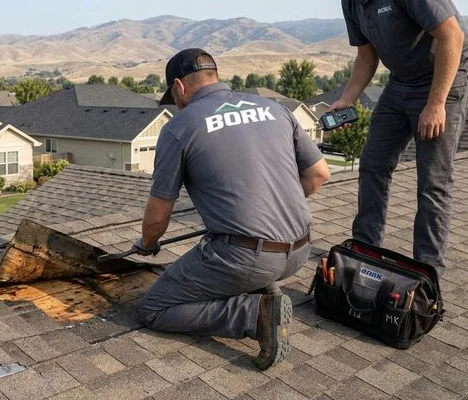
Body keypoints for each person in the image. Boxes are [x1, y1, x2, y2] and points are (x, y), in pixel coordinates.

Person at [134, 49, 331, 370]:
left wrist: (148, 244)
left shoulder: (180, 128)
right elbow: (320, 174)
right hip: (300, 250)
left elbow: (157, 217)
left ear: (179, 87)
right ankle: (262, 288)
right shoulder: (274, 108)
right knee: (240, 257)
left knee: (152, 309)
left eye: (173, 96)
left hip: (247, 259)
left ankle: (253, 314)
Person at [330, 0, 468, 274]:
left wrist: (436, 103)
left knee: (432, 181)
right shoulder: (351, 2)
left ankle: (427, 273)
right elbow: (366, 55)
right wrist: (347, 99)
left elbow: (452, 35)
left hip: (442, 80)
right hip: (400, 83)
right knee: (372, 164)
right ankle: (365, 249)